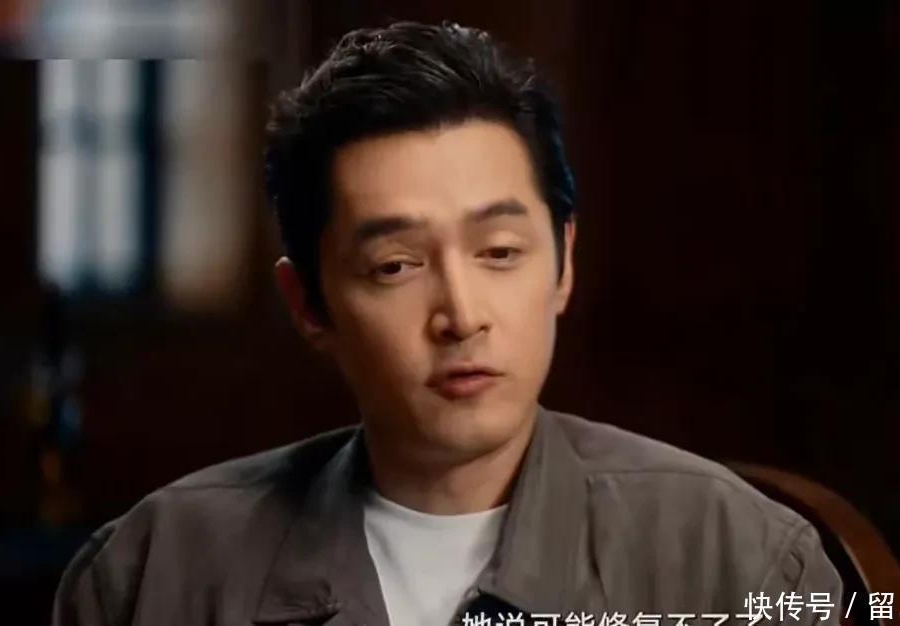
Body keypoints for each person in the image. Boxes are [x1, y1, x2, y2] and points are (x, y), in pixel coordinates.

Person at [53, 21, 842, 626]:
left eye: (499, 252)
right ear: (309, 305)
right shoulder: (154, 573)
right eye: (395, 265)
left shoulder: (735, 560)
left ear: (562, 263)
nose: (462, 316)